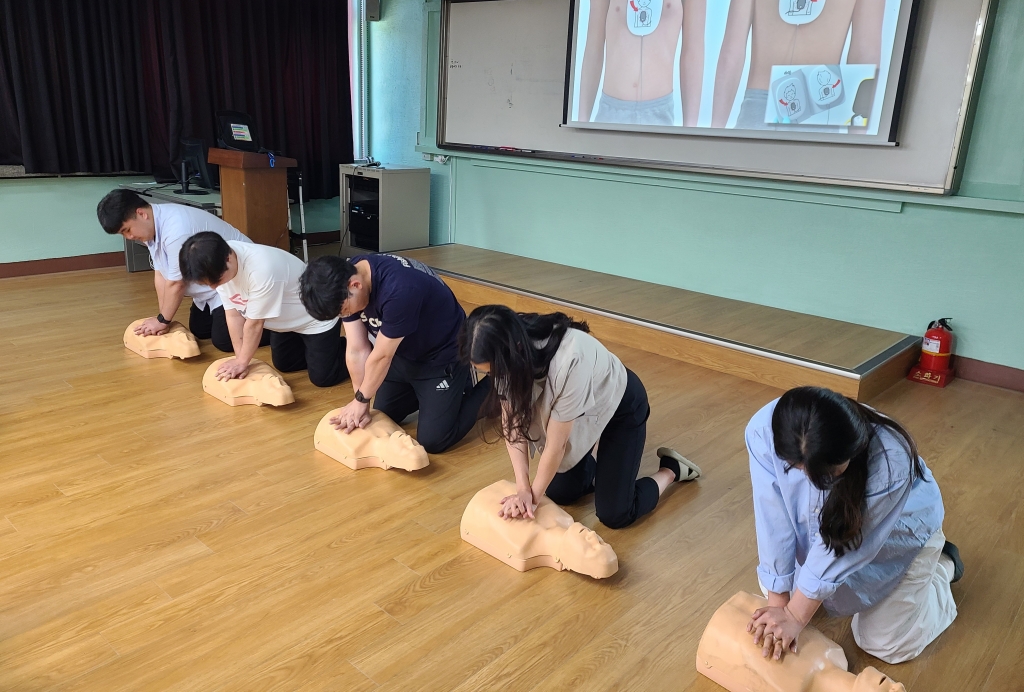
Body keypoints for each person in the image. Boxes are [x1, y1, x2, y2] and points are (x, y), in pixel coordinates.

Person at [745, 387, 962, 665]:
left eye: (827, 474)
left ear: (852, 451)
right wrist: (779, 607)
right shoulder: (765, 430)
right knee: (774, 592)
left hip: (894, 540)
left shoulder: (890, 460)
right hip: (821, 532)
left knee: (885, 644)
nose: (811, 481)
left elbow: (846, 546)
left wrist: (795, 615)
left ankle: (943, 565)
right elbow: (772, 518)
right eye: (796, 470)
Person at [460, 305, 700, 530]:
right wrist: (523, 487)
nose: (494, 377)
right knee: (561, 492)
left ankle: (671, 470)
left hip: (620, 407)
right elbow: (511, 425)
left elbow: (557, 446)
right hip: (582, 413)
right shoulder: (507, 343)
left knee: (615, 514)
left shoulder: (570, 358)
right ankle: (606, 465)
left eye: (492, 371)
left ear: (514, 351)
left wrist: (531, 498)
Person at [298, 253, 491, 454]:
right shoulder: (345, 278)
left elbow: (382, 356)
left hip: (442, 356)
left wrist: (362, 400)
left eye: (344, 311)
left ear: (355, 286)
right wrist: (360, 399)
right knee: (384, 414)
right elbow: (357, 348)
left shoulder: (399, 289)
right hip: (402, 353)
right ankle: (431, 397)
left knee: (434, 440)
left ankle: (498, 382)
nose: (345, 316)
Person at [712, 0, 896, 129]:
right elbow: (865, 52)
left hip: (756, 110)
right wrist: (857, 133)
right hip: (821, 106)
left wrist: (713, 133)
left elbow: (731, 55)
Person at [96, 189, 263, 352]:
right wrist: (162, 318)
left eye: (127, 230)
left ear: (141, 213)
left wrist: (162, 320)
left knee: (224, 341)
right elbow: (161, 274)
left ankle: (274, 326)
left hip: (240, 281)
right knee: (200, 330)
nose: (129, 237)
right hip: (212, 286)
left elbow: (177, 283)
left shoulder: (176, 229)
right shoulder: (151, 227)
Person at [178, 232, 347, 387]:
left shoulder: (262, 269)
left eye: (216, 281)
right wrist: (240, 360)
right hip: (282, 322)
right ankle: (323, 351)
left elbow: (254, 324)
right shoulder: (216, 263)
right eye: (208, 284)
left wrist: (243, 362)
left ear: (228, 258)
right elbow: (233, 315)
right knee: (285, 364)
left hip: (313, 319)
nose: (214, 288)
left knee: (323, 378)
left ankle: (352, 346)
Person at [578, 0, 711, 127]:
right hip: (610, 111)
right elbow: (593, 51)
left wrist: (690, 129)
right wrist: (581, 122)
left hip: (660, 112)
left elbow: (693, 51)